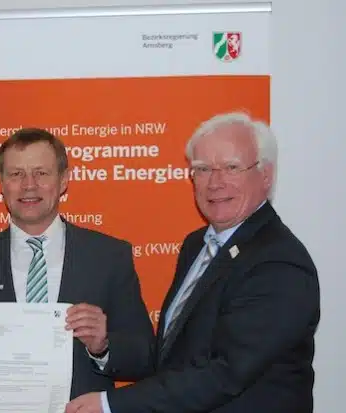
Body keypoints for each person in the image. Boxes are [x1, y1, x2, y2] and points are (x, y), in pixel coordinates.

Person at [65, 112, 320, 413]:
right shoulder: (196, 245)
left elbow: (225, 373)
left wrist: (112, 404)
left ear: (265, 175)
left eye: (231, 167)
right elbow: (174, 356)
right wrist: (105, 346)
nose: (215, 182)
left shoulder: (278, 261)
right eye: (202, 169)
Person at [0, 128, 155, 407]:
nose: (28, 185)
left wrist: (104, 346)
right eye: (16, 174)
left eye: (41, 173)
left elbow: (145, 357)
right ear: (1, 183)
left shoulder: (109, 256)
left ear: (63, 181)